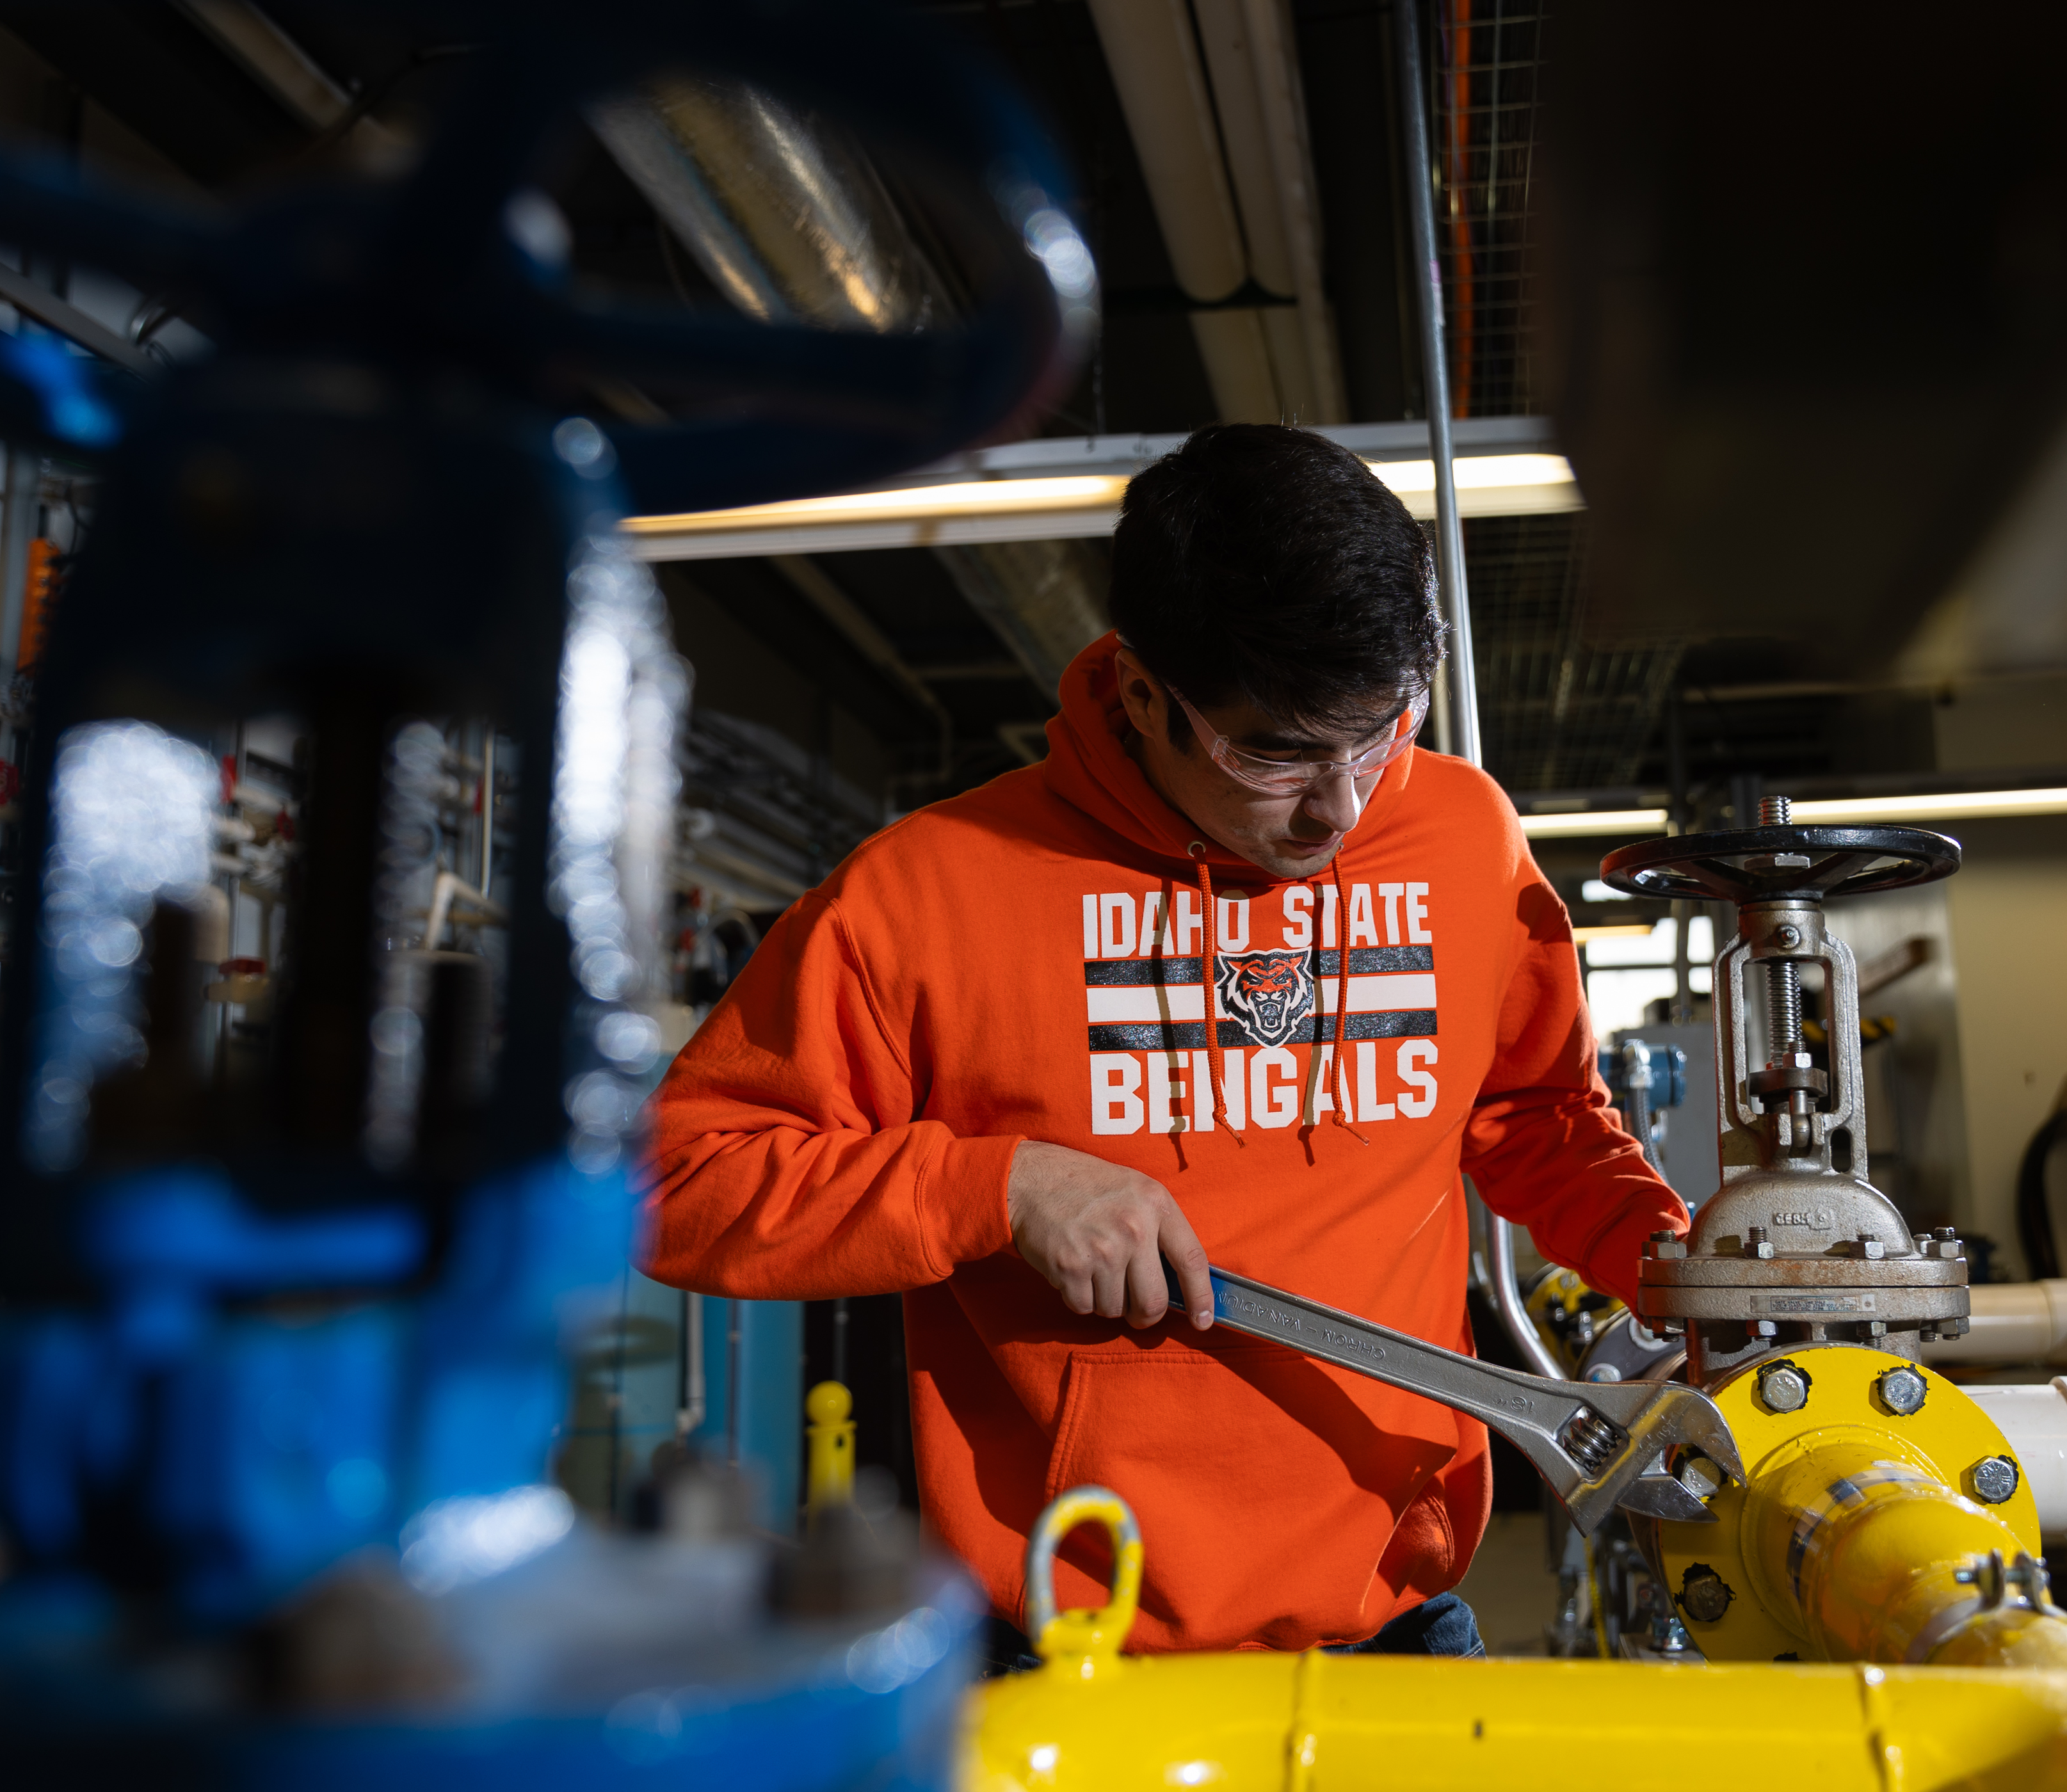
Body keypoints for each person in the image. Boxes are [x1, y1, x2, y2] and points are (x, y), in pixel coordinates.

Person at [643, 423, 1685, 1660]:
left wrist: (1681, 1270)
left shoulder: (1462, 831)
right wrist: (1001, 1185)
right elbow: (674, 1185)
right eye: (1275, 752)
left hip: (1397, 1620)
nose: (1340, 806)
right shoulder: (931, 892)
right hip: (1072, 1649)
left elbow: (1540, 1120)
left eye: (1379, 732)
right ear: (1143, 692)